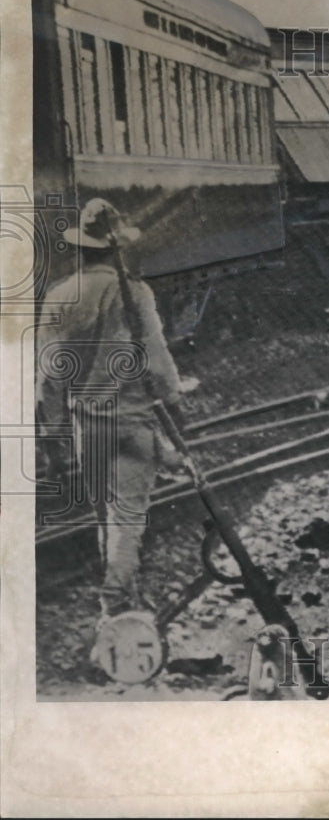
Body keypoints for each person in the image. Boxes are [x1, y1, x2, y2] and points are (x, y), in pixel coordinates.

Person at [36, 198, 183, 627]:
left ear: (80, 249)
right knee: (129, 520)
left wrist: (56, 435)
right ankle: (116, 609)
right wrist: (175, 405)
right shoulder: (134, 292)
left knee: (107, 518)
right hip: (133, 424)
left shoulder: (60, 296)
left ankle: (126, 604)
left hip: (87, 425)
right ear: (116, 248)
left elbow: (49, 378)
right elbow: (158, 363)